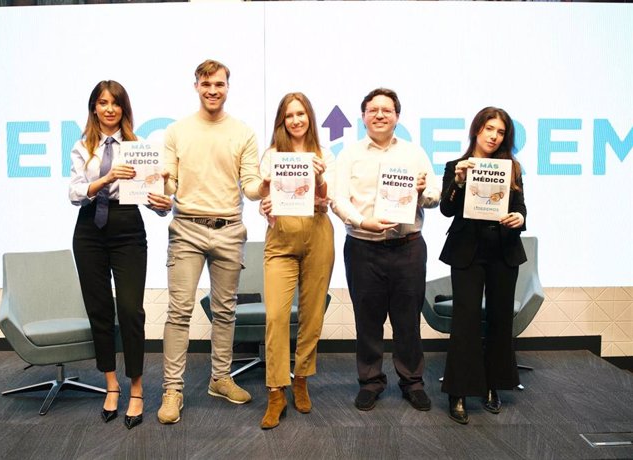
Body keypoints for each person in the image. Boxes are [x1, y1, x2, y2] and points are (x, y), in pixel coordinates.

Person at [157, 59, 270, 425]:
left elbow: (250, 186)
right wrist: (159, 188)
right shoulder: (176, 131)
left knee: (225, 310)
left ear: (227, 86)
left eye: (219, 84)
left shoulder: (243, 133)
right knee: (179, 312)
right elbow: (169, 184)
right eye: (206, 84)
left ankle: (220, 378)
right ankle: (172, 389)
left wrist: (267, 187)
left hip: (229, 229)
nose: (212, 90)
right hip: (186, 228)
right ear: (196, 86)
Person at [69, 80, 172, 429]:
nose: (109, 109)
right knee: (100, 310)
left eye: (115, 103)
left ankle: (137, 387)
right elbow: (75, 192)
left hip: (128, 227)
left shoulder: (139, 147)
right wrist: (108, 176)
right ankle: (111, 384)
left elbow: (154, 204)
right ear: (93, 108)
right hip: (89, 230)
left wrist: (162, 201)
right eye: (102, 102)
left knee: (130, 309)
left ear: (124, 109)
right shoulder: (83, 147)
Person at [331, 88, 440, 412]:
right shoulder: (349, 154)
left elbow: (434, 195)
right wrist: (362, 222)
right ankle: (371, 381)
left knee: (408, 321)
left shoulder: (414, 153)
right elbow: (338, 199)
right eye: (373, 109)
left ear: (397, 116)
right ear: (363, 116)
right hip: (363, 248)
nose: (380, 115)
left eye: (387, 110)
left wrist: (423, 192)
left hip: (407, 248)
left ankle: (412, 382)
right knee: (368, 320)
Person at [439, 106, 527, 425]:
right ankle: (458, 392)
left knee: (500, 320)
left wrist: (520, 218)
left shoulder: (512, 168)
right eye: (489, 128)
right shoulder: (456, 166)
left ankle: (492, 385)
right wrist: (459, 181)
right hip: (467, 251)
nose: (494, 135)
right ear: (477, 129)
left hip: (504, 251)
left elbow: (520, 208)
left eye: (501, 131)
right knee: (466, 320)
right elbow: (446, 210)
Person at [258, 93, 335, 429]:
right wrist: (263, 202)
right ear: (282, 120)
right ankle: (276, 391)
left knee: (312, 313)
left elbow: (329, 197)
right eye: (289, 115)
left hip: (318, 233)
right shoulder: (272, 155)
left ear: (309, 117)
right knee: (275, 315)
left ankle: (301, 378)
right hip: (281, 237)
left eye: (301, 114)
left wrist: (319, 178)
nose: (296, 120)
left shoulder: (324, 153)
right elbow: (262, 193)